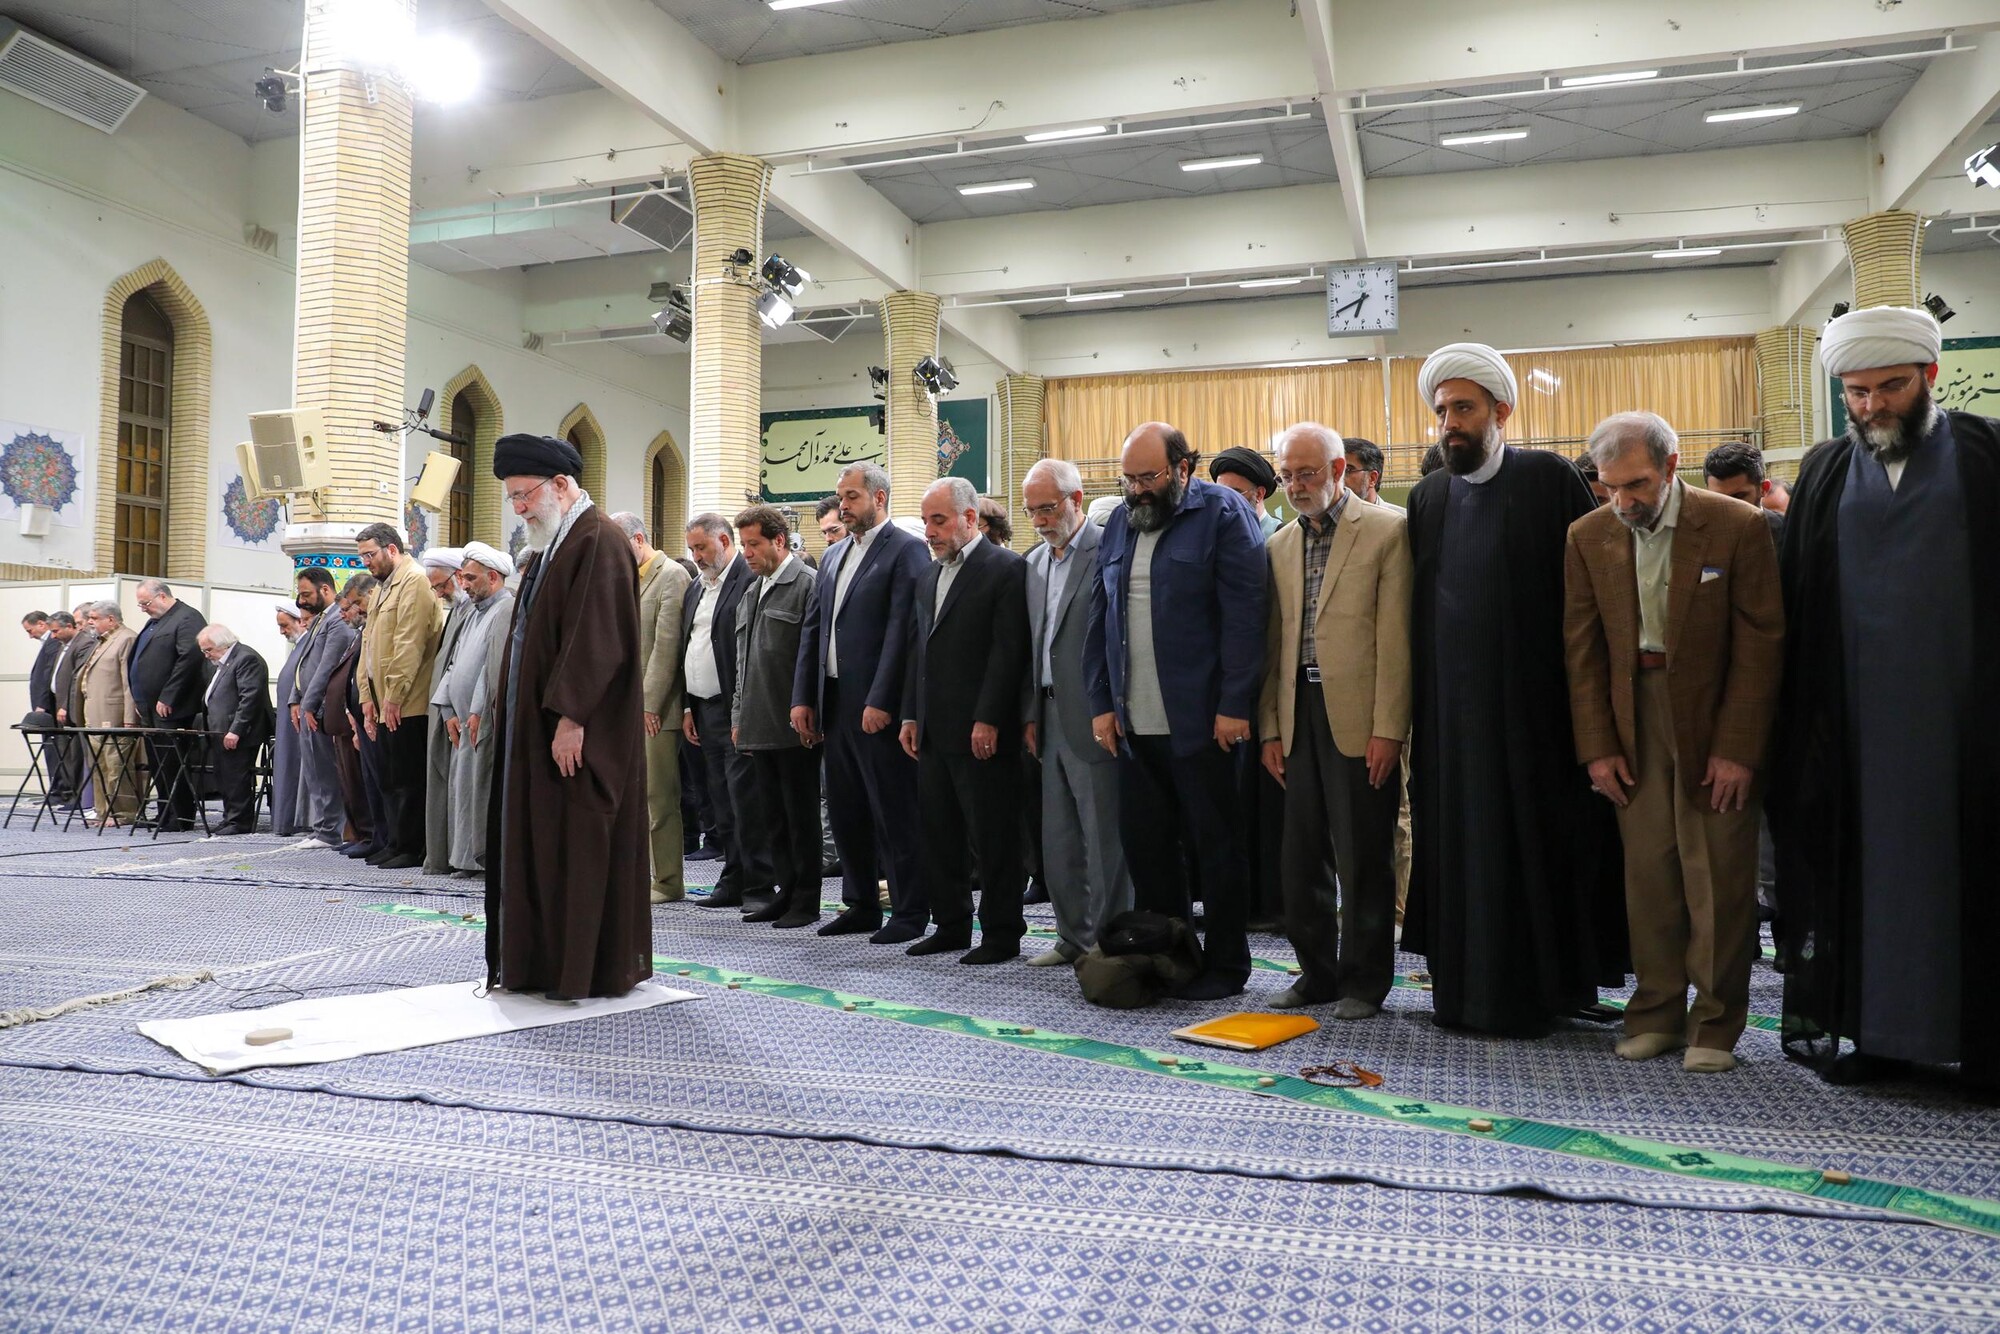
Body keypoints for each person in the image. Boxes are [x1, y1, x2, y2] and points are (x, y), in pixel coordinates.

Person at [1770, 305, 2000, 1091]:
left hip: (1970, 731)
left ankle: (1982, 1046)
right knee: (1868, 883)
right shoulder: (1827, 469)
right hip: (1857, 733)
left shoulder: (1985, 453)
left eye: (1891, 387)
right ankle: (1880, 1037)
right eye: (1856, 392)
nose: (1872, 407)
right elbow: (1798, 601)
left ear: (1931, 375)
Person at [1403, 344, 1626, 1036]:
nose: (1450, 422)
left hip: (1536, 717)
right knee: (1461, 851)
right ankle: (1463, 992)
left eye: (1464, 408)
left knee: (1536, 849)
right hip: (1450, 720)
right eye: (1442, 410)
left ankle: (1546, 991)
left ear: (1501, 412)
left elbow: (1592, 597)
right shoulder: (1428, 496)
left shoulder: (1548, 479)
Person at [1565, 412, 1784, 1073]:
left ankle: (1715, 1024)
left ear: (1670, 465)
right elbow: (1582, 651)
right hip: (1632, 718)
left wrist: (1737, 747)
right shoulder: (1587, 534)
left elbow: (1761, 643)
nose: (1623, 501)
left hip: (1714, 714)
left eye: (1636, 485)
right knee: (1649, 875)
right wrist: (1597, 747)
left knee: (1717, 872)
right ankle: (1655, 1014)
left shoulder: (1735, 524)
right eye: (1610, 487)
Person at [1085, 422, 1268, 999]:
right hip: (1134, 725)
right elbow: (1101, 616)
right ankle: (1168, 959)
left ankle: (1227, 967)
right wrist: (1101, 702)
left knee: (1217, 849)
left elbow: (1247, 615)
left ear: (1184, 468)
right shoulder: (1122, 521)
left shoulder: (1223, 514)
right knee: (1149, 851)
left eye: (1150, 477)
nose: (1138, 489)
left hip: (1204, 723)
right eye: (1129, 479)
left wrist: (1235, 704)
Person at [485, 433, 650, 998]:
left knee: (578, 848)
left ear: (559, 485)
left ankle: (584, 969)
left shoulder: (598, 539)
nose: (519, 509)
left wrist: (571, 718)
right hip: (543, 730)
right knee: (545, 847)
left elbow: (598, 640)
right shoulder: (556, 543)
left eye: (523, 495)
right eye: (512, 498)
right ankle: (541, 964)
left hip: (579, 735)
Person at [1259, 422, 1412, 1017]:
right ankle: (1316, 973)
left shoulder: (1387, 530)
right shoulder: (1278, 545)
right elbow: (1273, 645)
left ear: (1340, 470)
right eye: (1287, 475)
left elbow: (1397, 641)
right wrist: (1271, 729)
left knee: (1363, 855)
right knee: (1300, 860)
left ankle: (1364, 982)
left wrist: (1389, 729)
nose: (1296, 486)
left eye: (1307, 473)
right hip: (1297, 712)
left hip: (1361, 717)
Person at [791, 462, 929, 941]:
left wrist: (882, 699)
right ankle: (861, 904)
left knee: (893, 810)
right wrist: (803, 697)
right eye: (841, 497)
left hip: (875, 705)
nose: (843, 506)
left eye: (852, 497)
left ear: (879, 498)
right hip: (833, 699)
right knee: (846, 809)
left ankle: (910, 911)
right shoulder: (833, 555)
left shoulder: (907, 550)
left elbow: (903, 632)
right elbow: (814, 629)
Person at [899, 476, 1030, 962]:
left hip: (981, 730)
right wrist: (911, 714)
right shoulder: (928, 575)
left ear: (970, 518)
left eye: (939, 520)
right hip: (933, 729)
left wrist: (989, 718)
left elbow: (1007, 652)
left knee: (993, 836)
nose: (929, 532)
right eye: (926, 521)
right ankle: (951, 924)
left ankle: (1001, 933)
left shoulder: (1005, 569)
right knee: (941, 833)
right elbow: (919, 650)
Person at [1021, 458, 1130, 965]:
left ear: (1076, 500)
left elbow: (1117, 637)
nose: (1040, 520)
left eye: (1047, 508)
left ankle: (1108, 943)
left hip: (1094, 715)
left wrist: (1110, 706)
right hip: (1047, 716)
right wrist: (1029, 714)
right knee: (1059, 838)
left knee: (1103, 839)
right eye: (1031, 511)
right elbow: (1032, 645)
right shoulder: (1033, 562)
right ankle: (1071, 936)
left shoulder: (1108, 549)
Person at [723, 504, 821, 928]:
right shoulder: (752, 592)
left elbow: (812, 658)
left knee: (801, 817)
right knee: (774, 819)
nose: (746, 553)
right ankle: (785, 893)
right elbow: (743, 664)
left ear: (779, 541)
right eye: (743, 544)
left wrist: (809, 710)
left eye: (753, 544)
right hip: (758, 723)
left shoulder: (807, 585)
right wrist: (738, 716)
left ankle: (807, 900)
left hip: (793, 726)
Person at [681, 513, 773, 913]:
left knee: (745, 800)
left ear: (723, 541)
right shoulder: (697, 587)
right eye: (692, 550)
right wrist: (687, 705)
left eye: (702, 548)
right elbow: (689, 644)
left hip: (736, 708)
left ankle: (759, 884)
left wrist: (741, 711)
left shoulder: (748, 579)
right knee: (720, 798)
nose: (697, 557)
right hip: (703, 709)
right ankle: (734, 877)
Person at [612, 512, 693, 903]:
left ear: (639, 539)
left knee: (659, 797)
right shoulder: (628, 577)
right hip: (629, 707)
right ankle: (642, 873)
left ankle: (668, 880)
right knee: (635, 797)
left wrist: (649, 705)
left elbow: (666, 647)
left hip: (658, 709)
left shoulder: (671, 575)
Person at [355, 523, 442, 870]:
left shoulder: (415, 582)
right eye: (362, 557)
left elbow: (409, 644)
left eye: (370, 555)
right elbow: (368, 645)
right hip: (382, 701)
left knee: (408, 778)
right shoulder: (382, 588)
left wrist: (393, 696)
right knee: (389, 777)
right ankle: (394, 841)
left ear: (392, 549)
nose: (366, 563)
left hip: (409, 701)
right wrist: (367, 697)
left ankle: (411, 846)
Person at [431, 542, 515, 876]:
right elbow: (453, 664)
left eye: (470, 578)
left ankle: (481, 860)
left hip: (482, 720)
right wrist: (447, 710)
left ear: (493, 577)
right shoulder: (472, 613)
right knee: (461, 789)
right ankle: (463, 859)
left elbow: (491, 669)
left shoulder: (505, 610)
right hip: (461, 719)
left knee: (479, 790)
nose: (463, 584)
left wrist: (478, 710)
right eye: (463, 578)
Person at [127, 579, 209, 830]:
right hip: (150, 706)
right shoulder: (156, 620)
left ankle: (180, 816)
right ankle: (164, 812)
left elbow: (189, 659)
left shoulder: (187, 618)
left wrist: (168, 696)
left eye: (146, 603)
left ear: (162, 596)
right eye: (140, 604)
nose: (143, 608)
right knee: (157, 762)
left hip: (172, 707)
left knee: (173, 762)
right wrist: (140, 698)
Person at [291, 568, 352, 847]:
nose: (301, 600)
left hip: (320, 708)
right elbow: (303, 663)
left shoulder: (338, 620)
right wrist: (295, 699)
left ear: (325, 590)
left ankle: (329, 830)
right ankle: (321, 828)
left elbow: (327, 666)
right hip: (308, 706)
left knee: (324, 770)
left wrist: (309, 704)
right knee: (314, 769)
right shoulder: (320, 619)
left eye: (306, 594)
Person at [324, 575, 381, 858]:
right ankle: (360, 833)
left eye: (350, 606)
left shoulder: (368, 630)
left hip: (364, 718)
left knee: (363, 780)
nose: (344, 614)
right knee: (350, 782)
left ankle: (370, 834)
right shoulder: (359, 633)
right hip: (350, 720)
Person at [421, 548, 470, 874]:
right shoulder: (459, 610)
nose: (439, 594)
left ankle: (462, 856)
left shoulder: (477, 610)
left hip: (465, 714)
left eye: (442, 585)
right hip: (446, 708)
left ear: (459, 576)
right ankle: (445, 855)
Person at [197, 625, 272, 835]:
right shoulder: (224, 661)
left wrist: (236, 730)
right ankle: (230, 817)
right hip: (220, 729)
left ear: (223, 645)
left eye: (208, 650)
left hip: (239, 731)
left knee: (236, 776)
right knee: (224, 776)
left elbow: (250, 698)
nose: (206, 655)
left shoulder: (246, 659)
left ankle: (240, 821)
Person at [78, 602, 139, 825]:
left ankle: (122, 813)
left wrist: (130, 719)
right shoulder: (102, 640)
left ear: (111, 619)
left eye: (94, 618)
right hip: (95, 715)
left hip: (115, 716)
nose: (90, 622)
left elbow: (128, 683)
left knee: (117, 767)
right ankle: (103, 811)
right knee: (100, 767)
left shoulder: (126, 639)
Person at [269, 602, 309, 835]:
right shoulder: (299, 647)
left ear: (300, 621)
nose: (282, 631)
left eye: (284, 625)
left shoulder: (307, 645)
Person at [51, 609, 97, 809]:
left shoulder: (83, 643)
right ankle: (71, 796)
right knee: (67, 755)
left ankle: (79, 798)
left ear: (69, 626)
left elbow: (76, 679)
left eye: (56, 631)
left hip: (71, 709)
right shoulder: (64, 645)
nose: (53, 636)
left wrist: (65, 706)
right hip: (60, 708)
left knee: (77, 755)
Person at [1701, 441, 1785, 546]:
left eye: (1738, 496)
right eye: (1718, 498)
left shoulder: (1789, 532)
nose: (1728, 507)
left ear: (1763, 488)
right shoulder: (1694, 535)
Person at [1209, 446, 1284, 538]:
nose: (1224, 502)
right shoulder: (1215, 536)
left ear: (1259, 494)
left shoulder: (1282, 537)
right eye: (1220, 493)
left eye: (1233, 494)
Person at [1340, 438, 1402, 514]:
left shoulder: (1401, 519)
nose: (1337, 478)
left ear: (1372, 478)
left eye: (1348, 470)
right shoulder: (1329, 519)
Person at [22, 611, 56, 722]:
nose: (30, 636)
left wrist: (42, 704)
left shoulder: (54, 642)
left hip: (47, 706)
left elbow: (49, 674)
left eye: (30, 631)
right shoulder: (48, 642)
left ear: (41, 624)